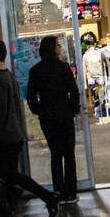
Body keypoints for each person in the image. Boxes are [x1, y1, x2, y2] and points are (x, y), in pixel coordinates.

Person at [0, 38, 59, 217]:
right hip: (13, 137)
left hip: (3, 141)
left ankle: (12, 216)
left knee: (3, 178)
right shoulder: (10, 78)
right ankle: (43, 200)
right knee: (11, 177)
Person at [26, 36, 81, 204]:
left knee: (55, 154)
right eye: (57, 45)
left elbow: (30, 97)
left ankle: (58, 191)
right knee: (69, 154)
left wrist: (39, 111)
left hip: (48, 118)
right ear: (52, 48)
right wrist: (72, 109)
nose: (60, 47)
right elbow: (73, 91)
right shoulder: (63, 68)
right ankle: (71, 192)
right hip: (64, 115)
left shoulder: (35, 70)